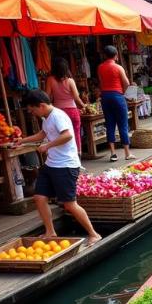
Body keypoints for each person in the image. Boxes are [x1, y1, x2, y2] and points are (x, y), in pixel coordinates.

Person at [19, 90, 101, 246]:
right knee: (39, 197)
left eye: (33, 109)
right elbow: (42, 134)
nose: (33, 113)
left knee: (69, 204)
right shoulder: (47, 117)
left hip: (65, 165)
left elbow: (68, 135)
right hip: (51, 164)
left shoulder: (58, 116)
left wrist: (47, 146)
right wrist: (22, 141)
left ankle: (93, 233)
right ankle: (50, 231)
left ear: (41, 105)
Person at [97, 45, 132, 162]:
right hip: (117, 96)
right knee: (123, 124)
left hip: (105, 97)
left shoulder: (100, 67)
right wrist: (121, 91)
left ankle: (113, 153)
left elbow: (101, 83)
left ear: (105, 55)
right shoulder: (118, 68)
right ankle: (127, 153)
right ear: (116, 55)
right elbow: (126, 83)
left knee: (110, 124)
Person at [45, 57, 84, 150]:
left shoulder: (50, 80)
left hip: (58, 112)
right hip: (72, 111)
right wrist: (84, 106)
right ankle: (78, 155)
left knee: (60, 135)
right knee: (76, 133)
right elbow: (76, 98)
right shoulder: (70, 81)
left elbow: (47, 97)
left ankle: (65, 155)